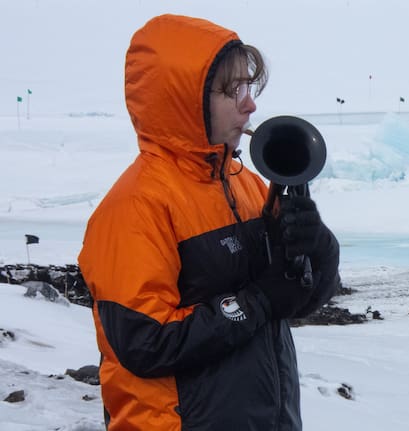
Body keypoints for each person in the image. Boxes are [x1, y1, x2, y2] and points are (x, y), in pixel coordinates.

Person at [78, 14, 340, 431]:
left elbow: (298, 299)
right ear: (183, 99)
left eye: (248, 87)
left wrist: (321, 251)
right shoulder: (133, 208)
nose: (250, 104)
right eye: (231, 90)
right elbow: (145, 344)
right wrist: (257, 301)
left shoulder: (248, 186)